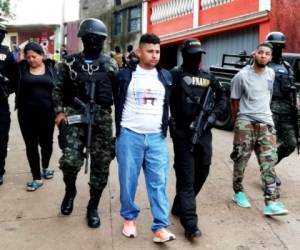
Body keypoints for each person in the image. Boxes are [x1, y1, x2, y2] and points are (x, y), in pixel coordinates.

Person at [52, 18, 117, 228]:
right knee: (70, 162)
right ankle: (70, 191)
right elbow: (57, 90)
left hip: (102, 120)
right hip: (75, 115)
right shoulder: (69, 62)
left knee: (101, 165)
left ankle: (93, 206)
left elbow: (121, 93)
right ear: (82, 39)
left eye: (99, 38)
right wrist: (59, 114)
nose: (95, 42)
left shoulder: (111, 64)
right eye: (90, 38)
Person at [114, 33, 175, 243]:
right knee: (128, 182)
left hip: (157, 138)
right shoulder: (124, 75)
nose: (155, 55)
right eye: (150, 51)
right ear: (139, 52)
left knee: (158, 183)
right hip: (130, 136)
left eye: (158, 51)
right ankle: (129, 219)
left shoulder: (166, 76)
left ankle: (160, 227)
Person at [169, 38, 227, 239]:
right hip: (183, 134)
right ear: (184, 55)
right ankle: (190, 224)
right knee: (186, 178)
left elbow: (222, 97)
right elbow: (163, 99)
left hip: (204, 132)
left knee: (202, 172)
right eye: (193, 55)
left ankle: (179, 206)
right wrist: (169, 124)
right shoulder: (174, 75)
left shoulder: (209, 77)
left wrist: (212, 117)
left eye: (199, 55)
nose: (197, 59)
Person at [230, 42, 288, 216]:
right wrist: (238, 122)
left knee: (269, 161)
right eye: (260, 52)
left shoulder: (271, 73)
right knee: (241, 159)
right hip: (246, 122)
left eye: (267, 54)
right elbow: (234, 100)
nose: (263, 56)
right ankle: (238, 192)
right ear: (254, 54)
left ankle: (271, 202)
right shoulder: (241, 76)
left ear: (270, 58)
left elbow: (267, 95)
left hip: (266, 123)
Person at [14, 42, 56, 191]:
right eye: (28, 57)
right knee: (31, 146)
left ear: (42, 55)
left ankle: (45, 167)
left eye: (34, 56)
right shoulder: (20, 69)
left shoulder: (51, 67)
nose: (31, 60)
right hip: (26, 115)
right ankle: (37, 177)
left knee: (47, 144)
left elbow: (60, 88)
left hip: (48, 114)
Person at [265, 32, 297, 181]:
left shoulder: (287, 66)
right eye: (275, 46)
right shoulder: (264, 64)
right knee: (268, 145)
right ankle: (268, 175)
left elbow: (291, 88)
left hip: (286, 111)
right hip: (269, 109)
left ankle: (269, 166)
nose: (278, 49)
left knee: (291, 144)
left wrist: (294, 102)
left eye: (280, 46)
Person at [0, 23, 16, 185]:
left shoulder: (8, 54)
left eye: (2, 33)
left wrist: (6, 89)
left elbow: (14, 77)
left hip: (1, 103)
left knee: (1, 138)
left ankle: (0, 170)